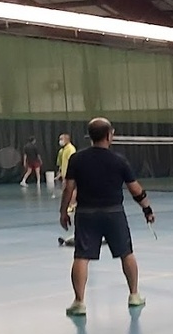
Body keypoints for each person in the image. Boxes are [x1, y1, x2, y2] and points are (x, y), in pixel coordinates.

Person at [59, 117, 155, 316]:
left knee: (81, 256)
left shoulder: (77, 158)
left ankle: (79, 302)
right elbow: (135, 189)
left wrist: (63, 212)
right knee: (126, 253)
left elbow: (68, 188)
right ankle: (134, 295)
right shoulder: (119, 160)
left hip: (85, 214)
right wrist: (147, 209)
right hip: (114, 214)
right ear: (109, 135)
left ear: (90, 136)